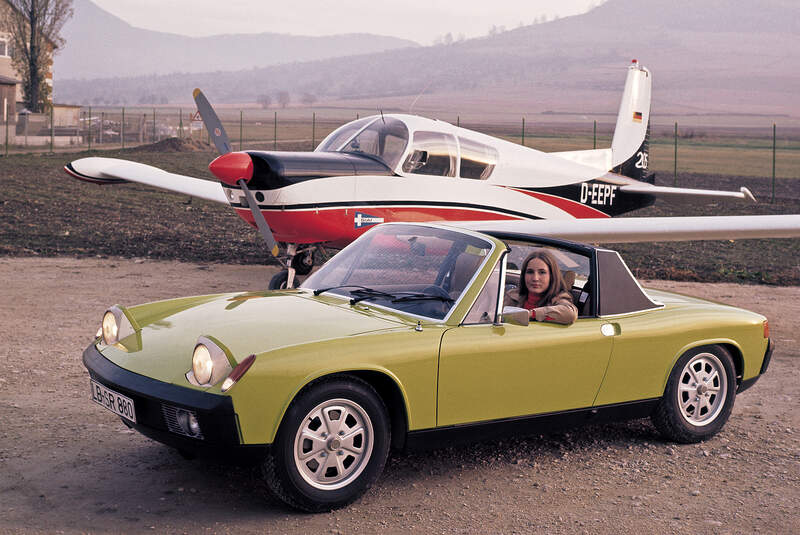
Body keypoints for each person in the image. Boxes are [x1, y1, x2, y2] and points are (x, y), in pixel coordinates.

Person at [508, 250, 577, 325]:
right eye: (530, 272)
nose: (535, 278)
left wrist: (532, 314)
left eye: (542, 272)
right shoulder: (512, 295)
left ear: (552, 276)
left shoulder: (559, 298)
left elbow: (570, 314)